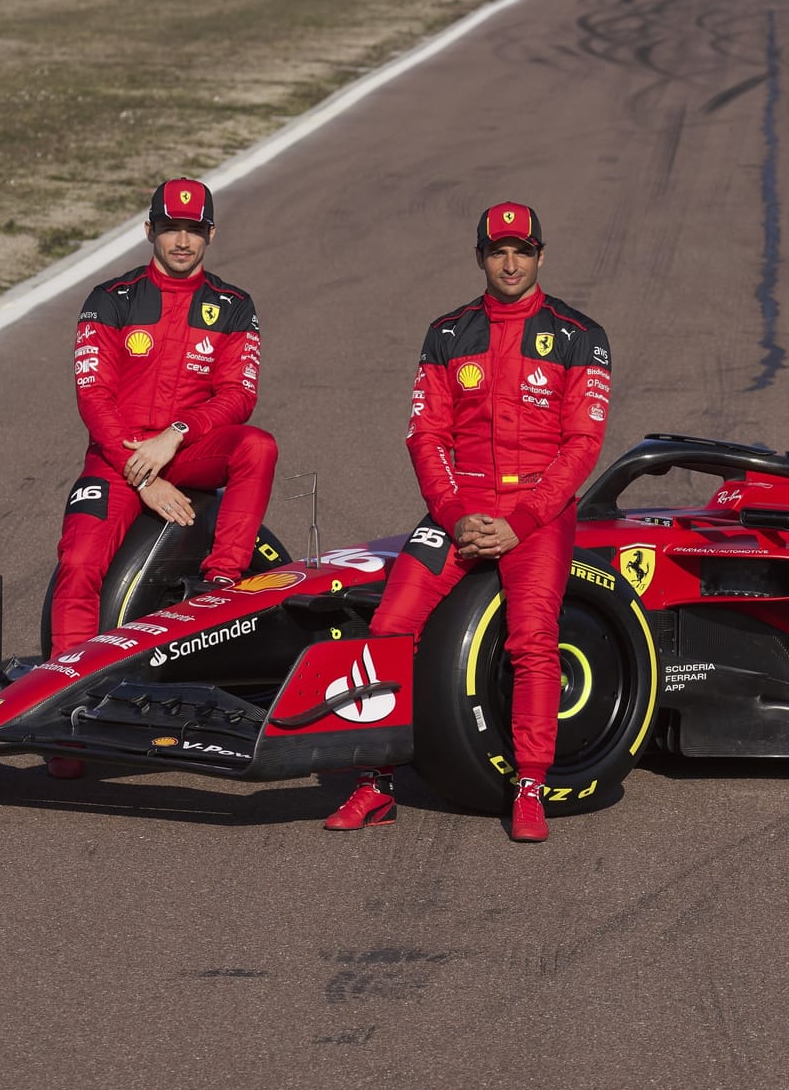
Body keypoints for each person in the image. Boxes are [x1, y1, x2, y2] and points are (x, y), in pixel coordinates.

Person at [326, 201, 611, 841]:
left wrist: (524, 521)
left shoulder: (579, 335)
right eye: (497, 251)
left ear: (541, 254)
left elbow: (582, 446)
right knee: (389, 625)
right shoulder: (448, 333)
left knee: (534, 639)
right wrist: (455, 515)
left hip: (539, 511)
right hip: (459, 506)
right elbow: (425, 436)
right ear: (479, 256)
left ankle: (531, 785)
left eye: (522, 250)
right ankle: (375, 783)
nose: (510, 263)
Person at [51, 176, 278, 666]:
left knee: (257, 446)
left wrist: (176, 435)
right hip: (116, 460)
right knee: (78, 565)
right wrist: (142, 474)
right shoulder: (109, 298)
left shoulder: (235, 307)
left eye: (193, 229)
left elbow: (240, 394)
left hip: (188, 452)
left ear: (211, 234)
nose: (181, 241)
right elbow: (93, 396)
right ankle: (64, 701)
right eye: (170, 227)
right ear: (148, 230)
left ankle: (222, 581)